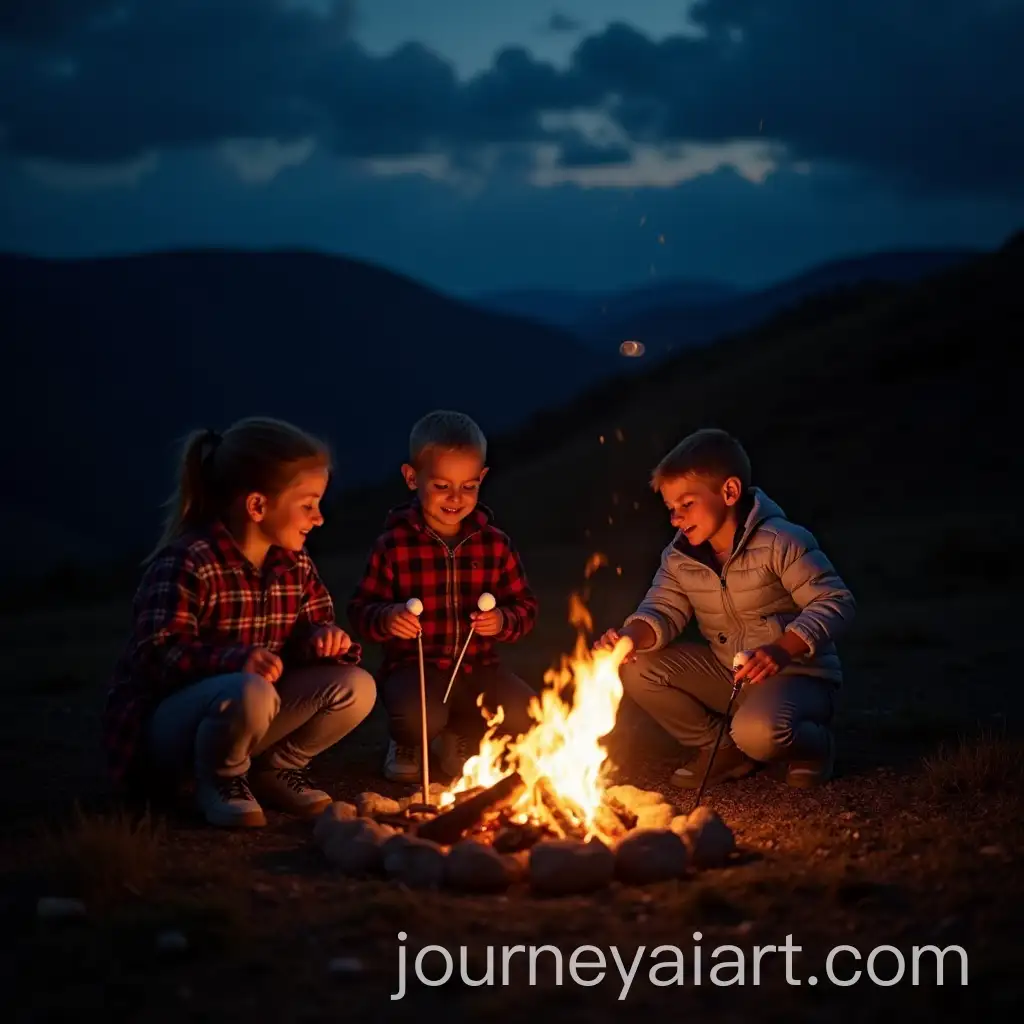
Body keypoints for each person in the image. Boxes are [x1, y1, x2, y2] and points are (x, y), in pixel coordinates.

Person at [102, 417, 377, 828]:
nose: (318, 518)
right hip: (172, 732)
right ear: (257, 506)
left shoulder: (295, 564)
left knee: (357, 686)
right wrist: (235, 660)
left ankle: (274, 769)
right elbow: (156, 655)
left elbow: (311, 626)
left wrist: (322, 638)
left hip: (249, 710)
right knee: (250, 689)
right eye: (307, 505)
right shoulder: (189, 561)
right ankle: (219, 779)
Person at [595, 428, 856, 790]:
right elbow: (662, 609)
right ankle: (723, 748)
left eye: (687, 504)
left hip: (798, 676)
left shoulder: (781, 540)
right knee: (637, 666)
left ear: (729, 492)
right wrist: (627, 639)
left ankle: (814, 748)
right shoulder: (680, 557)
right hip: (730, 675)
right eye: (671, 509)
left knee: (761, 733)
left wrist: (782, 649)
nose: (676, 518)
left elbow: (836, 602)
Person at [347, 410, 539, 784]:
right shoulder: (393, 546)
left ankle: (460, 734)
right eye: (441, 486)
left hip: (480, 669)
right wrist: (388, 618)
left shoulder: (496, 546)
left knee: (528, 713)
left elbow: (526, 609)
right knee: (417, 716)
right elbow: (360, 610)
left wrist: (503, 621)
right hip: (415, 671)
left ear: (482, 479)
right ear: (411, 478)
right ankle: (408, 740)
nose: (456, 498)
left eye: (468, 486)